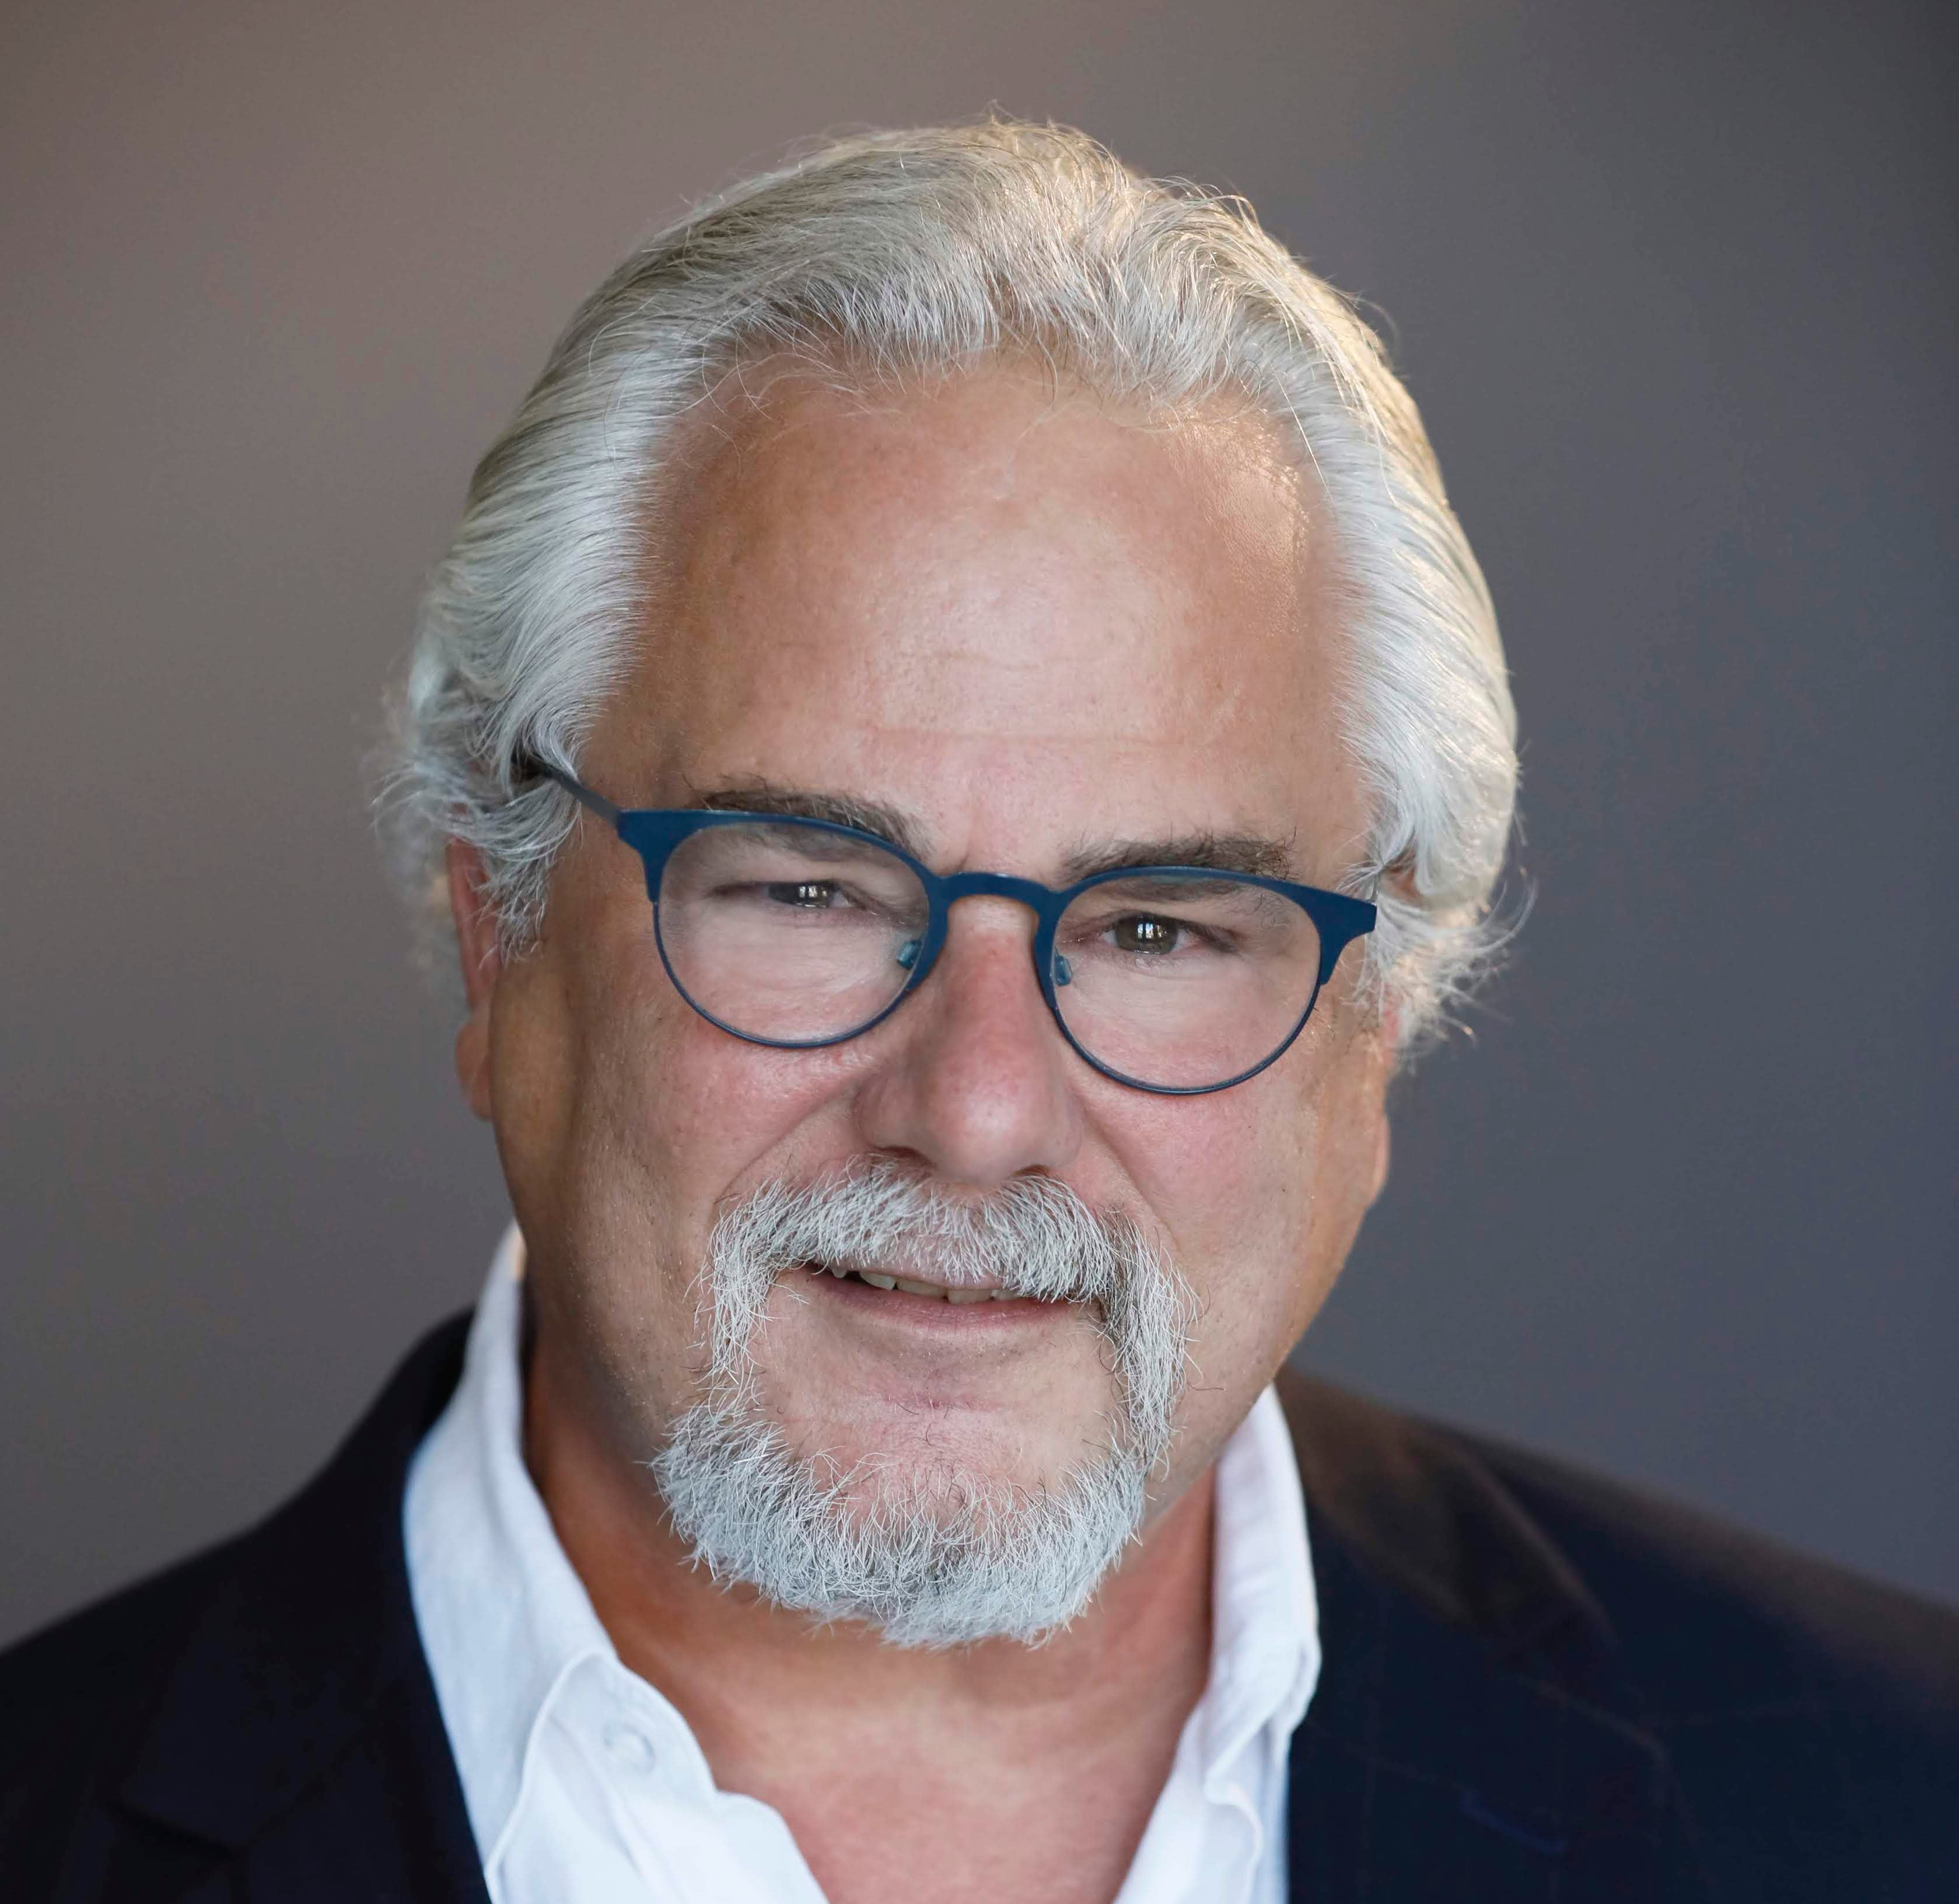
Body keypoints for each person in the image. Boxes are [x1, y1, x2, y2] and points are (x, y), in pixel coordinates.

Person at [3, 120, 1954, 1904]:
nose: (981, 1104)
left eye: (1163, 930)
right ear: (500, 938)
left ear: (1378, 1038)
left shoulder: (1891, 1803)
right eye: (812, 891)